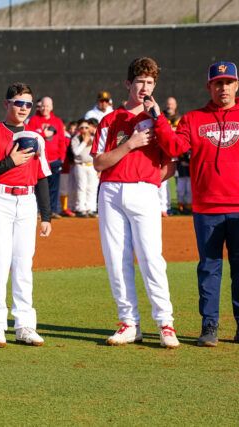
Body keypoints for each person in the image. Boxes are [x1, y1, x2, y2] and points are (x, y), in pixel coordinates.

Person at [153, 61, 239, 346]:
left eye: (228, 82)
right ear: (209, 86)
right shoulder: (193, 119)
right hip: (207, 208)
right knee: (209, 267)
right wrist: (160, 120)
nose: (223, 88)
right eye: (218, 83)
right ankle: (209, 326)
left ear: (237, 85)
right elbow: (174, 147)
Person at [91, 57, 179, 348]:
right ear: (128, 84)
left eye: (150, 82)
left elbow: (171, 165)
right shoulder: (110, 119)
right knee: (117, 260)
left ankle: (165, 323)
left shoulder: (159, 120)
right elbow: (99, 163)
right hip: (111, 191)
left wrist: (148, 179)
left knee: (152, 258)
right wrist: (129, 144)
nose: (144, 87)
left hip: (144, 191)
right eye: (140, 81)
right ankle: (129, 323)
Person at [0, 82, 52, 347]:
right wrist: (10, 162)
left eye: (28, 104)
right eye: (19, 102)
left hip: (27, 201)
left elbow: (42, 176)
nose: (24, 108)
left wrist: (47, 215)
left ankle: (25, 325)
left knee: (23, 263)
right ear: (7, 104)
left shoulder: (36, 137)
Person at [27, 96, 68, 218]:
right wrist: (43, 134)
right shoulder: (33, 120)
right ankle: (39, 210)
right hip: (39, 159)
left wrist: (62, 157)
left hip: (55, 160)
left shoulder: (57, 121)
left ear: (52, 107)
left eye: (48, 106)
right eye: (43, 105)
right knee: (39, 186)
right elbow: (30, 136)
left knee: (54, 187)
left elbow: (62, 140)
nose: (45, 108)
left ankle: (53, 211)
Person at [70, 119, 98, 217]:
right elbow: (76, 152)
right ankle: (80, 208)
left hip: (92, 166)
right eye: (82, 127)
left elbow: (98, 152)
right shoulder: (76, 139)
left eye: (86, 127)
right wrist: (85, 142)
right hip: (80, 165)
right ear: (78, 128)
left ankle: (91, 208)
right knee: (81, 187)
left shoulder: (94, 138)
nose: (84, 129)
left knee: (92, 187)